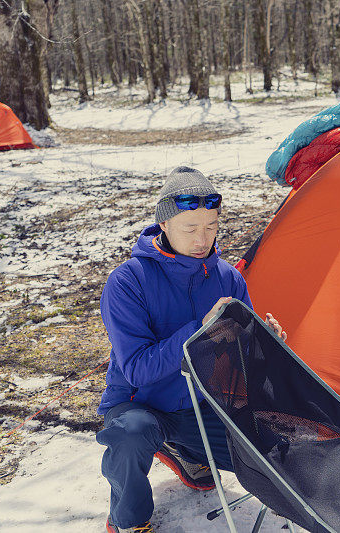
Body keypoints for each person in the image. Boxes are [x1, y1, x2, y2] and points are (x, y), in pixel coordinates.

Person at [97, 166, 286, 533]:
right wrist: (198, 332)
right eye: (190, 228)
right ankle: (128, 520)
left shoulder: (228, 277)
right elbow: (136, 368)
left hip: (204, 404)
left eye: (212, 226)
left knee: (268, 449)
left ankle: (186, 451)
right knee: (131, 435)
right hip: (140, 404)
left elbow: (241, 361)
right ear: (164, 225)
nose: (203, 239)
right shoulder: (128, 281)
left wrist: (265, 342)